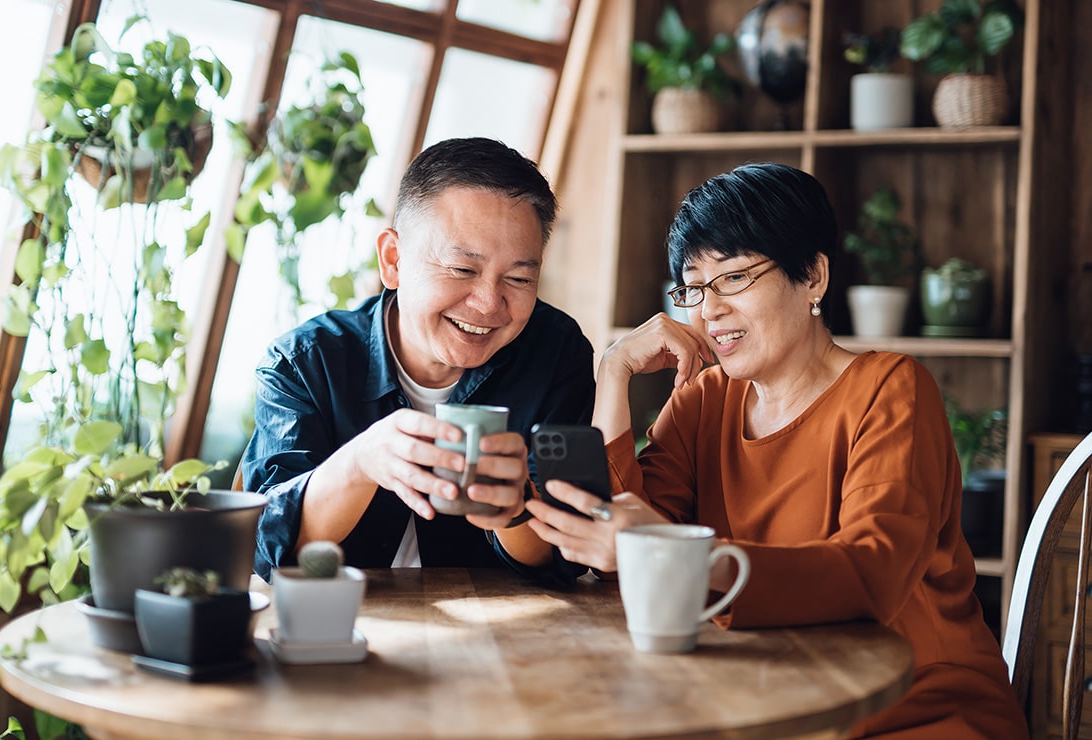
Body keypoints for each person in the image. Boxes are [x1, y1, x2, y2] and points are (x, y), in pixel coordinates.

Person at [525, 162, 1028, 738]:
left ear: (813, 276)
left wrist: (671, 555)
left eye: (735, 277)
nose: (708, 310)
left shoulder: (891, 389)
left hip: (912, 704)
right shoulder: (704, 399)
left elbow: (872, 572)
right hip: (767, 698)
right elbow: (619, 558)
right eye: (694, 286)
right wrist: (613, 374)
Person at [243, 136, 595, 584]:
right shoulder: (306, 363)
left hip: (502, 635)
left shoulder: (555, 352)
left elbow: (567, 555)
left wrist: (515, 512)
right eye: (462, 269)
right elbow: (270, 550)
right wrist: (361, 462)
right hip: (342, 622)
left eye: (519, 277)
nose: (489, 304)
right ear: (393, 260)